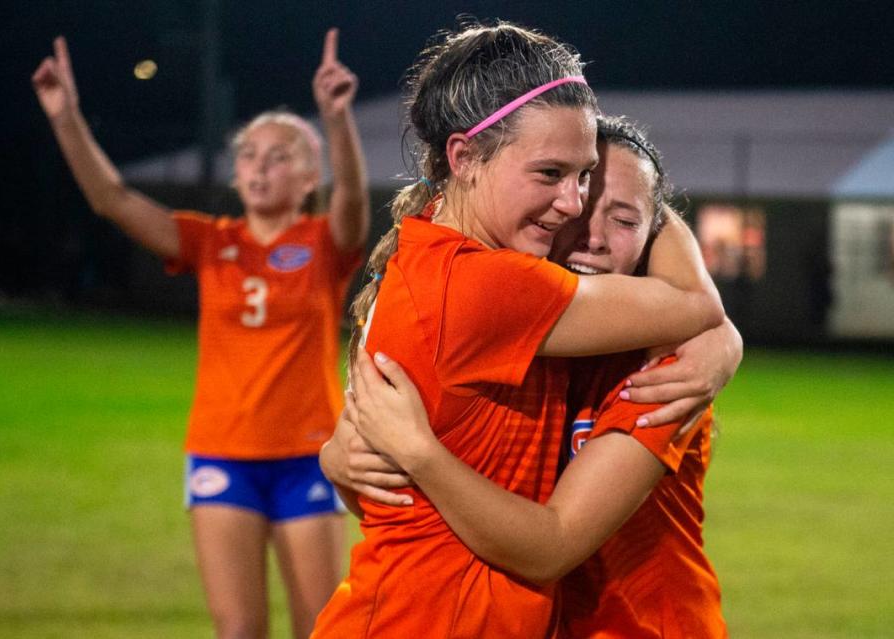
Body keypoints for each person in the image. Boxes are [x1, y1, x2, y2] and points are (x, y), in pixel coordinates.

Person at [309, 22, 723, 639]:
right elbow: (694, 303)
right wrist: (718, 334)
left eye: (585, 178)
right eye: (551, 173)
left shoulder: (447, 265)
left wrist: (357, 459)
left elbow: (388, 497)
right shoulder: (487, 287)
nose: (577, 207)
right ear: (465, 157)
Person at [32, 29, 369, 639]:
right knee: (238, 630)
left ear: (306, 174)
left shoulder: (322, 244)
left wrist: (336, 119)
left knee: (322, 627)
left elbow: (350, 201)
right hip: (222, 455)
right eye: (249, 155)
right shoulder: (211, 242)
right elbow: (111, 198)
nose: (260, 166)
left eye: (279, 155)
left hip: (309, 456)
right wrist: (66, 118)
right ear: (236, 176)